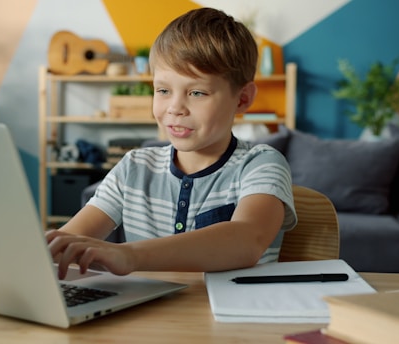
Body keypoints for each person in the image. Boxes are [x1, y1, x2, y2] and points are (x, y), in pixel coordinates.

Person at [46, 7, 297, 280]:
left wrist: (129, 255)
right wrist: (45, 248)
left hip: (235, 319)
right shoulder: (134, 167)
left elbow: (247, 241)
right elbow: (69, 241)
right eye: (163, 90)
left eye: (197, 92)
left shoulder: (260, 164)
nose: (175, 108)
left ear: (243, 99)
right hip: (147, 318)